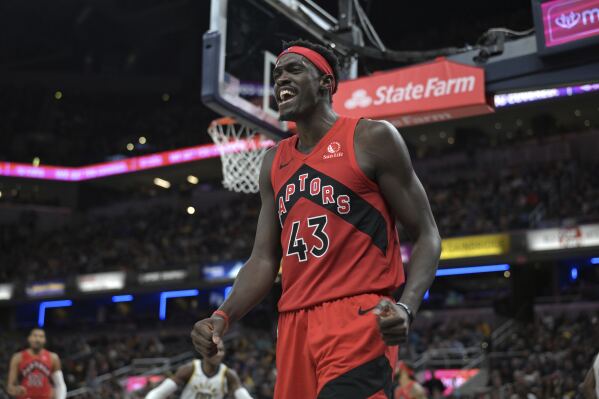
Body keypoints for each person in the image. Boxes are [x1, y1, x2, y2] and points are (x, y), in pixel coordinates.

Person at [191, 38, 441, 398]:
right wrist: (222, 316)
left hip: (357, 318)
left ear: (327, 82)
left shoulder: (371, 138)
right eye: (276, 75)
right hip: (293, 326)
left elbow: (427, 234)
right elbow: (263, 259)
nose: (280, 81)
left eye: (294, 70)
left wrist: (407, 306)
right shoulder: (273, 163)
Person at [145, 341, 252, 399]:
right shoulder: (189, 369)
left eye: (221, 350)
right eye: (214, 350)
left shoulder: (229, 374)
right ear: (204, 351)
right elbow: (159, 393)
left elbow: (243, 396)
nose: (218, 353)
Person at [6, 328, 67, 399]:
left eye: (41, 336)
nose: (37, 339)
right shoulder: (18, 357)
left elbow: (60, 385)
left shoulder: (53, 357)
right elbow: (10, 386)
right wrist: (15, 390)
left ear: (45, 340)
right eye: (35, 336)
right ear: (29, 338)